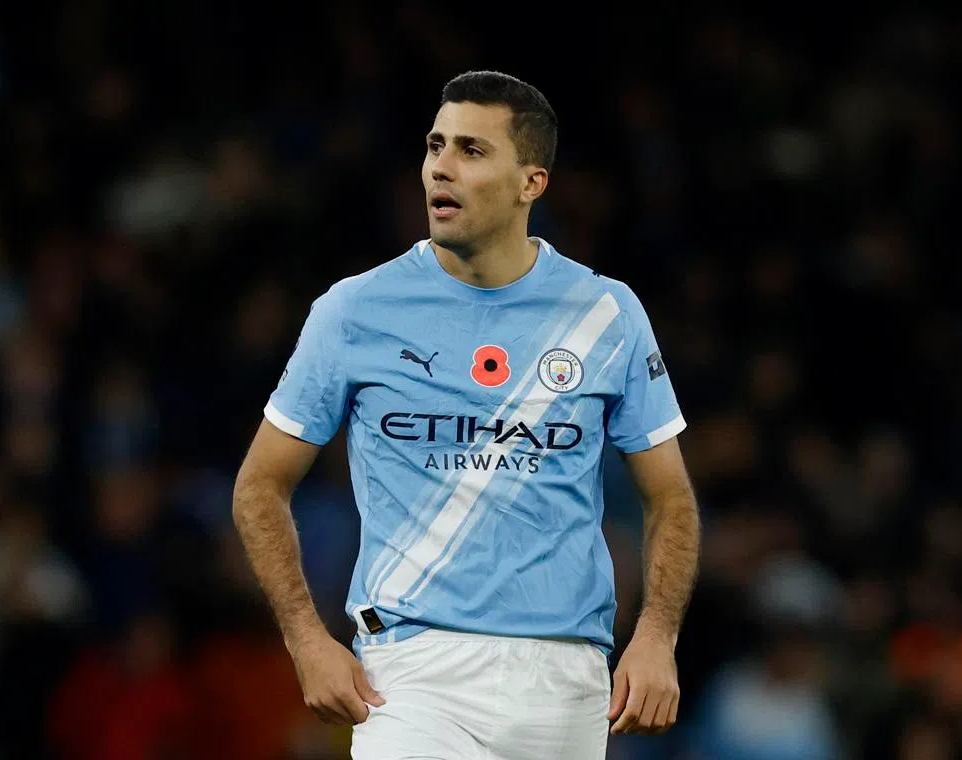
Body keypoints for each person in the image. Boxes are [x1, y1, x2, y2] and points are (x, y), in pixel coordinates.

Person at [232, 69, 701, 759]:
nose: (440, 168)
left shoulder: (607, 314)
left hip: (566, 678)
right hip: (412, 673)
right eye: (434, 145)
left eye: (471, 151)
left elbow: (671, 500)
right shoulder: (353, 311)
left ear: (530, 183)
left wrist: (657, 637)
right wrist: (307, 641)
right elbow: (258, 486)